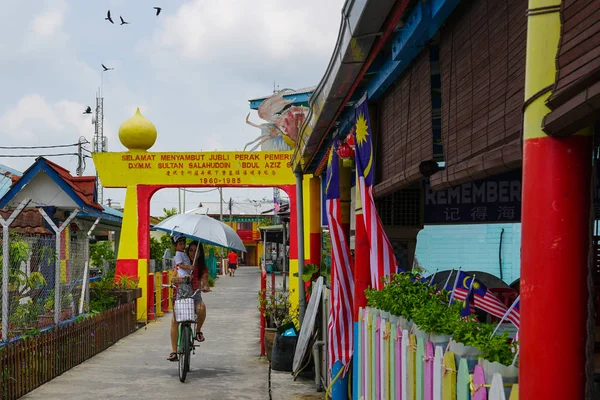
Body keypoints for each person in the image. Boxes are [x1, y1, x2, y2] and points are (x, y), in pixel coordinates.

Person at [167, 235, 209, 362]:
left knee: (202, 308)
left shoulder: (201, 267)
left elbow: (205, 281)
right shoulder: (182, 263)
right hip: (181, 297)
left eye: (196, 251)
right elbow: (173, 278)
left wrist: (205, 286)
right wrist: (179, 279)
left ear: (200, 253)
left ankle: (198, 331)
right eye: (190, 250)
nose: (192, 253)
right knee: (175, 320)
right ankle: (174, 351)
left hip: (195, 296)